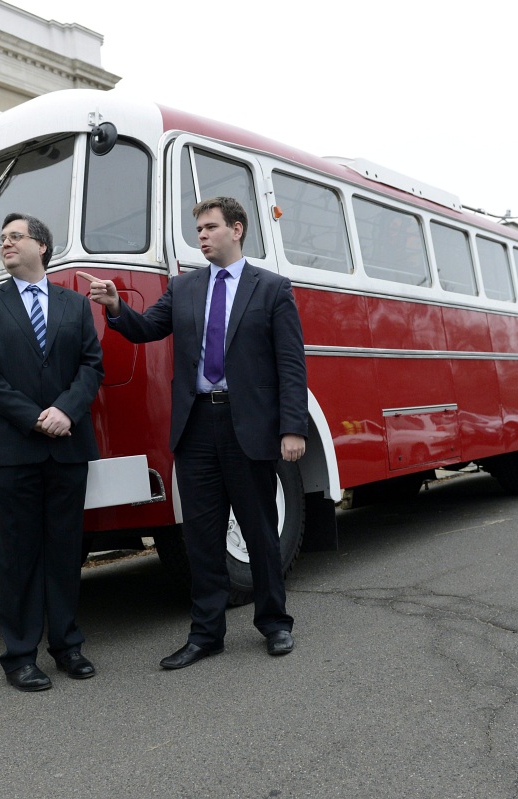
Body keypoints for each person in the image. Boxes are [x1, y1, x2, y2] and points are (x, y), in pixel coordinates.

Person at [78, 196, 308, 670]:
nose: (201, 235)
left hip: (248, 427)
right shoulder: (183, 289)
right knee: (201, 537)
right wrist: (116, 305)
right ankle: (206, 633)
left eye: (209, 227)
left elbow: (291, 365)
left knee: (260, 531)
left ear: (237, 229)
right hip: (197, 425)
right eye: (198, 228)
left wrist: (292, 428)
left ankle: (274, 623)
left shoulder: (272, 289)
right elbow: (144, 330)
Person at [0, 212, 104, 692]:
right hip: (14, 449)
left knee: (65, 551)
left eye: (15, 236)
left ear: (41, 246)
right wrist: (33, 417)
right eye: (2, 238)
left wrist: (65, 411)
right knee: (17, 556)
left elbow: (91, 366)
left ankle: (67, 646)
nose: (5, 243)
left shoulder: (74, 304)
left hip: (67, 446)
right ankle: (20, 656)